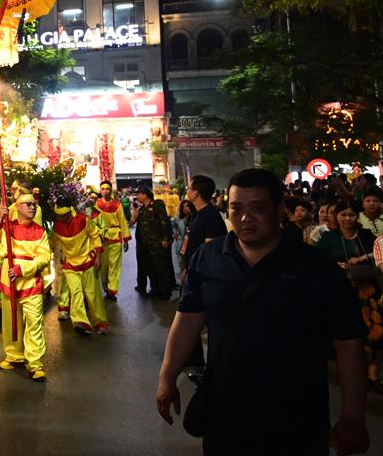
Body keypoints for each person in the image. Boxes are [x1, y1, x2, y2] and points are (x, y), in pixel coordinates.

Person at [156, 168, 370, 456]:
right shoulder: (208, 258)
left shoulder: (316, 268)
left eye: (258, 208)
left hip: (296, 417)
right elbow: (188, 321)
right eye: (236, 208)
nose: (246, 218)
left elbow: (348, 343)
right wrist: (167, 377)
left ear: (279, 209)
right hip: (225, 411)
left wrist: (353, 417)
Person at [316, 200, 383, 391]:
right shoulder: (329, 238)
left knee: (375, 331)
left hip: (366, 290)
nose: (347, 219)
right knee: (346, 333)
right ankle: (354, 372)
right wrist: (335, 264)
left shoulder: (364, 235)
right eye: (343, 215)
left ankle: (372, 372)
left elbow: (378, 250)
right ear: (336, 216)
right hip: (339, 290)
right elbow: (315, 259)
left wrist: (363, 257)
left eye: (351, 215)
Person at [0, 191, 51, 380]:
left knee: (34, 325)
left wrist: (22, 269)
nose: (32, 207)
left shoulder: (40, 232)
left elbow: (44, 257)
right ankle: (14, 356)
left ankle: (35, 363)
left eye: (34, 205)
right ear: (18, 207)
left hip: (30, 282)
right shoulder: (8, 227)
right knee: (10, 322)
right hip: (9, 281)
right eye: (28, 204)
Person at [52, 201, 107, 335]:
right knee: (75, 293)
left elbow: (95, 236)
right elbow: (52, 242)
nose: (61, 219)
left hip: (88, 261)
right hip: (70, 263)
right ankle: (81, 323)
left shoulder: (83, 219)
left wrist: (98, 257)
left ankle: (99, 322)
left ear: (69, 212)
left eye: (64, 216)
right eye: (58, 216)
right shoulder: (57, 226)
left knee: (92, 294)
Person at [133, 186, 173, 299]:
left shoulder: (157, 206)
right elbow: (137, 225)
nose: (137, 196)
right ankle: (155, 289)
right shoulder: (142, 210)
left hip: (157, 243)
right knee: (151, 268)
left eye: (139, 194)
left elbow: (164, 222)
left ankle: (165, 292)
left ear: (145, 195)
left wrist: (165, 239)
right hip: (145, 245)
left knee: (161, 267)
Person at [95, 180, 131, 300]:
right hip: (101, 239)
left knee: (114, 267)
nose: (105, 191)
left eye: (108, 188)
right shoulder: (96, 204)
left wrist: (125, 239)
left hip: (115, 238)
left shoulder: (118, 205)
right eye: (103, 188)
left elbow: (123, 222)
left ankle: (112, 290)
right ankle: (106, 287)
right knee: (103, 267)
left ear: (111, 190)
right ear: (100, 190)